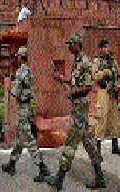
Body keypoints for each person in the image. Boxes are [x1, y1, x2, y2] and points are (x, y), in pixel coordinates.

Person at [46, 33, 106, 190]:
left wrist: (71, 93)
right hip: (78, 106)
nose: (69, 47)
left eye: (71, 44)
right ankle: (100, 177)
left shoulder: (85, 63)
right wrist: (62, 80)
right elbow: (75, 82)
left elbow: (87, 87)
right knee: (89, 143)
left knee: (70, 143)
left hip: (79, 108)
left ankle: (59, 180)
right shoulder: (77, 62)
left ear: (78, 45)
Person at [1, 46, 50, 183]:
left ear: (20, 57)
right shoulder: (28, 71)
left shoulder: (21, 72)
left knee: (28, 138)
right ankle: (11, 163)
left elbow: (15, 92)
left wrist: (9, 87)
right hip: (27, 107)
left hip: (23, 108)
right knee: (19, 137)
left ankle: (42, 168)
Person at [92, 39, 120, 157]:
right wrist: (104, 73)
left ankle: (115, 146)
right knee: (102, 119)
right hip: (103, 92)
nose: (107, 49)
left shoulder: (113, 61)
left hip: (113, 93)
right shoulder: (97, 61)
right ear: (100, 49)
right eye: (105, 47)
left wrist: (119, 85)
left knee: (115, 119)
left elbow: (119, 75)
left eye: (108, 47)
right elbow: (94, 76)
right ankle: (98, 150)